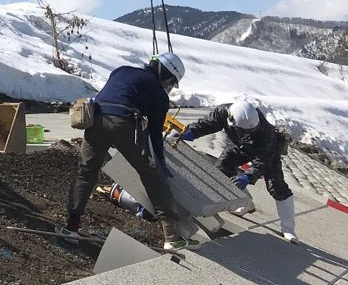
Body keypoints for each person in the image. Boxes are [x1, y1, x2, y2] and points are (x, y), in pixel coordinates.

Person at [57, 52, 200, 250]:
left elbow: (114, 94)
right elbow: (154, 134)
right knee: (152, 176)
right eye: (171, 82)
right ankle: (171, 237)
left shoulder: (121, 71)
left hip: (95, 121)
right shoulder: (159, 94)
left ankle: (71, 227)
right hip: (126, 123)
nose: (169, 86)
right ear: (166, 76)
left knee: (86, 172)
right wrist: (159, 161)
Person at [182, 100, 299, 244]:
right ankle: (244, 202)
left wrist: (248, 176)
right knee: (221, 171)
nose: (248, 134)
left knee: (277, 187)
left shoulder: (266, 133)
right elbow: (207, 124)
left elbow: (262, 162)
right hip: (238, 146)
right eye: (244, 131)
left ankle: (288, 228)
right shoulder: (223, 112)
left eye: (250, 131)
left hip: (266, 154)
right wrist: (191, 132)